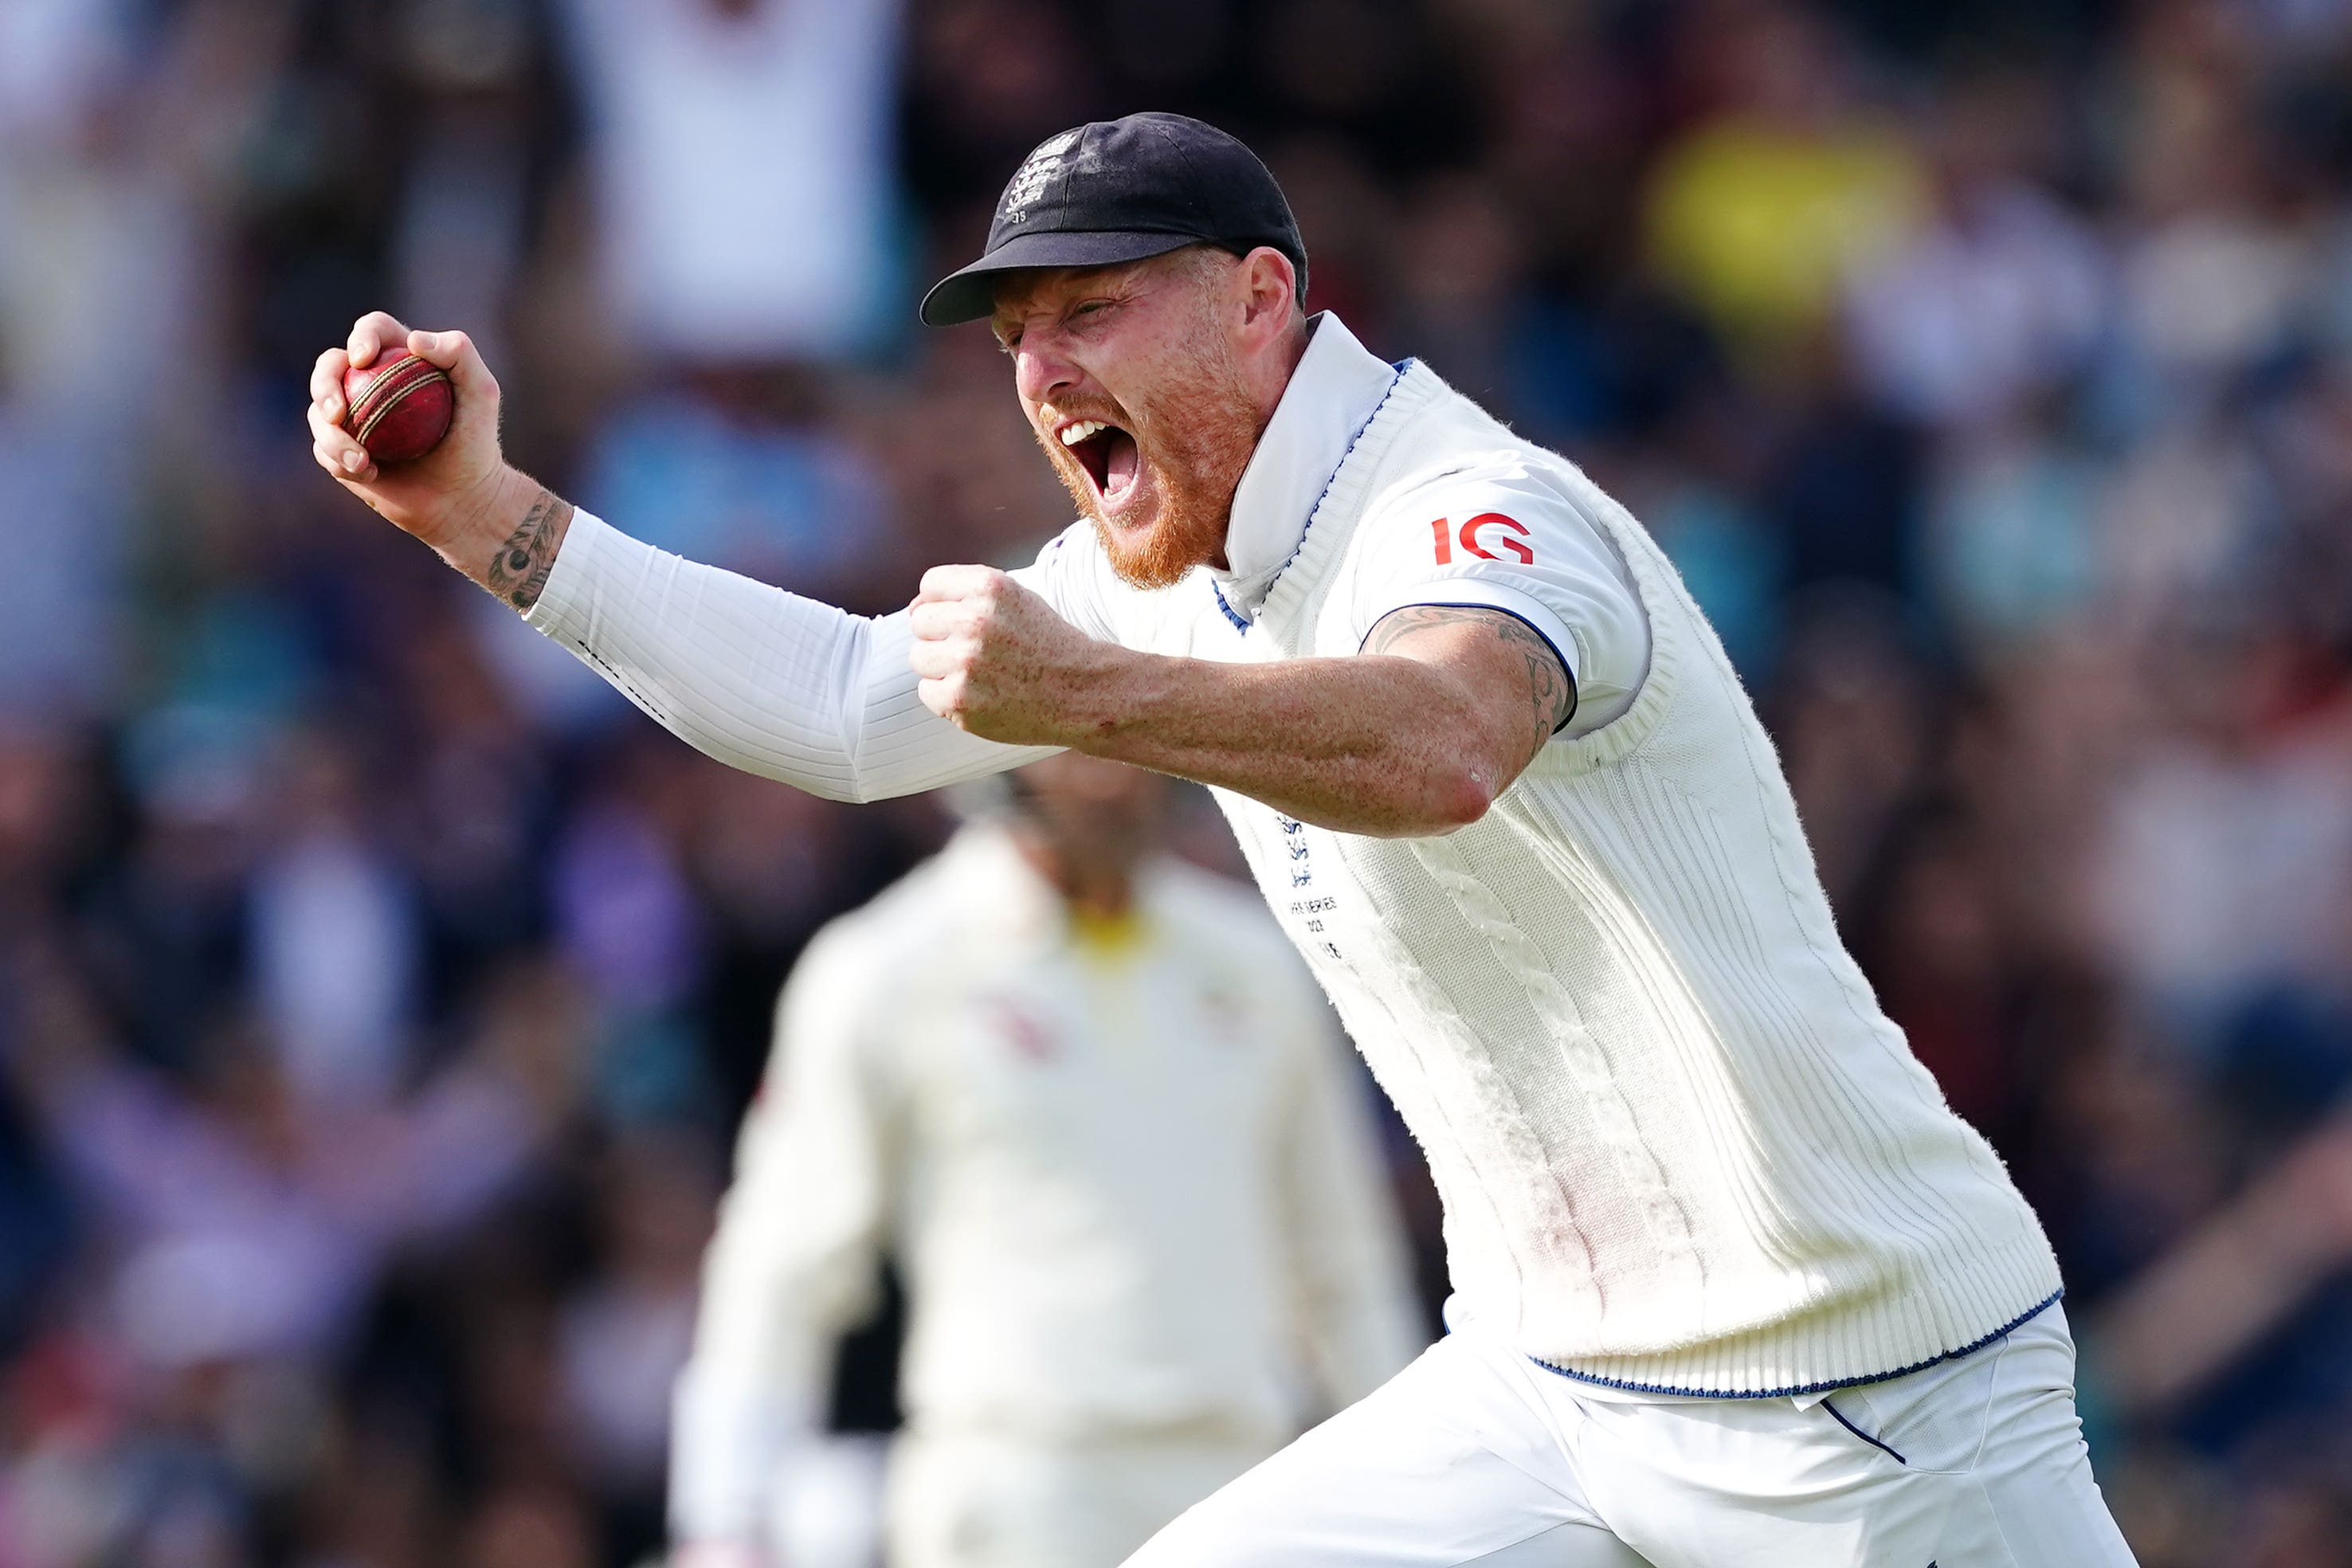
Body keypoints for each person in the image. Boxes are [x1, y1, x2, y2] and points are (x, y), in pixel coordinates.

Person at [307, 112, 2138, 1567]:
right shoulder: (1169, 573)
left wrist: (1085, 697)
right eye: (1019, 340)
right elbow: (855, 708)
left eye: (1089, 312)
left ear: (1263, 300)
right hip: (1546, 1392)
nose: (1039, 375)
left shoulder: (1471, 506)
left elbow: (1439, 742)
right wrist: (490, 522)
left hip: (1863, 1389)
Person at [668, 751, 1421, 1568]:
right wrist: (727, 1517)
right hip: (1017, 1488)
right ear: (996, 753)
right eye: (1070, 748)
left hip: (1242, 1477)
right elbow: (783, 1260)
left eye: (1123, 743)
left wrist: (1418, 1498)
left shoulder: (1255, 965)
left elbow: (1343, 1270)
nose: (1108, 782)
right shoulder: (889, 966)